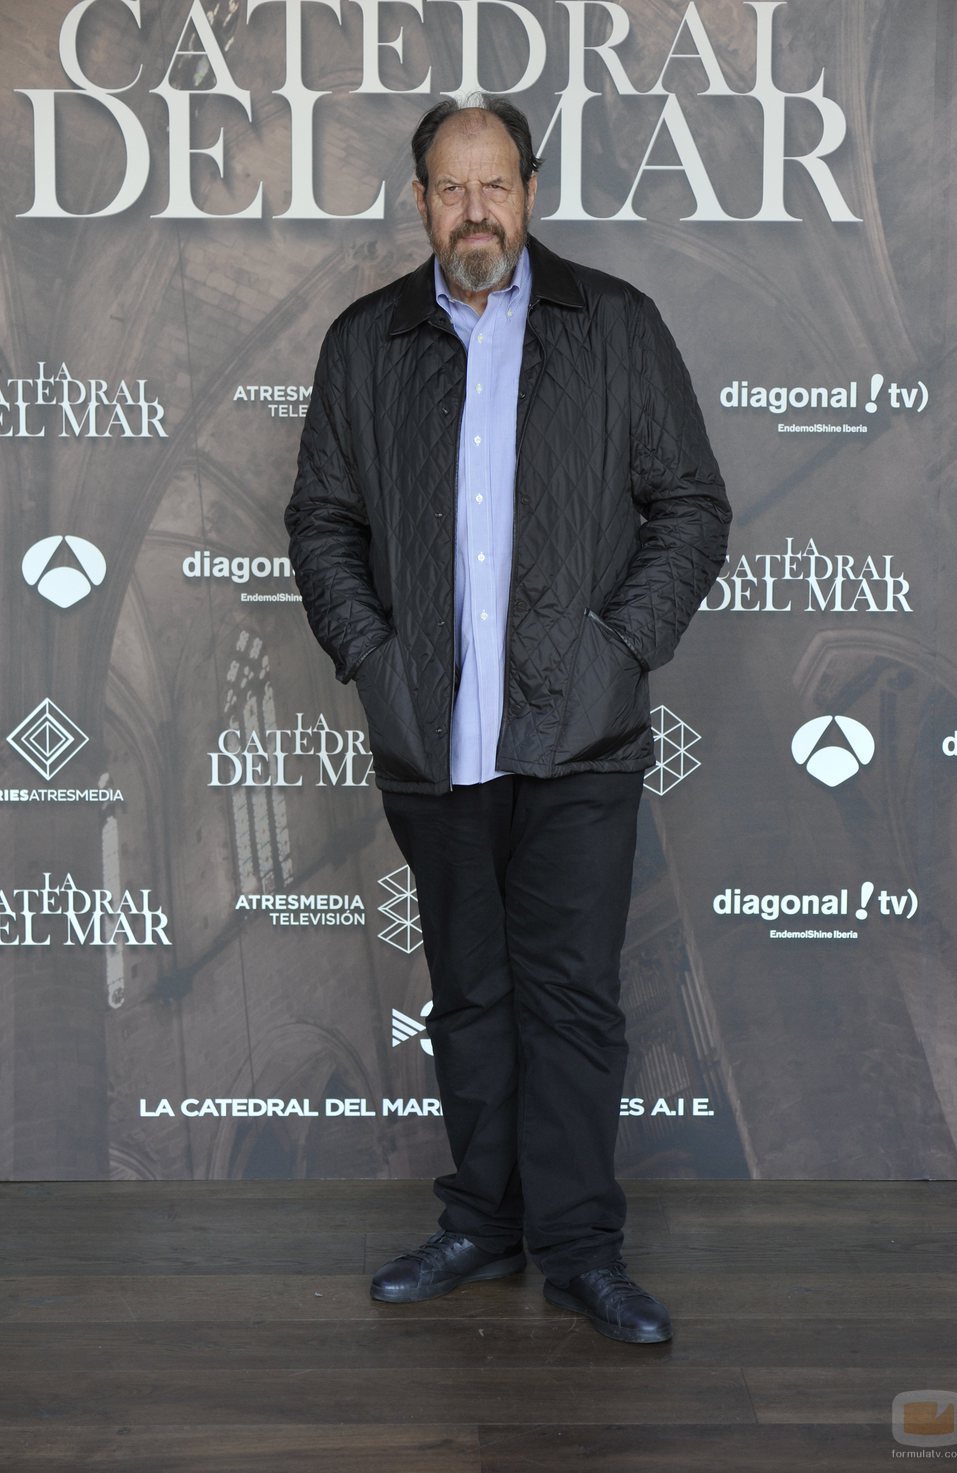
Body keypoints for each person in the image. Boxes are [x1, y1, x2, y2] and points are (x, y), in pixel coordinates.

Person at [284, 95, 731, 1345]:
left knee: (573, 999)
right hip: (432, 741)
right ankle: (481, 1222)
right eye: (448, 187)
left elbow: (689, 507)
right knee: (470, 995)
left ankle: (582, 1250)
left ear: (527, 191)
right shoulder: (364, 342)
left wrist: (613, 650)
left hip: (578, 737)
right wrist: (373, 660)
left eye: (494, 186)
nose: (473, 211)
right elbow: (320, 522)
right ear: (418, 200)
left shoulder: (615, 328)